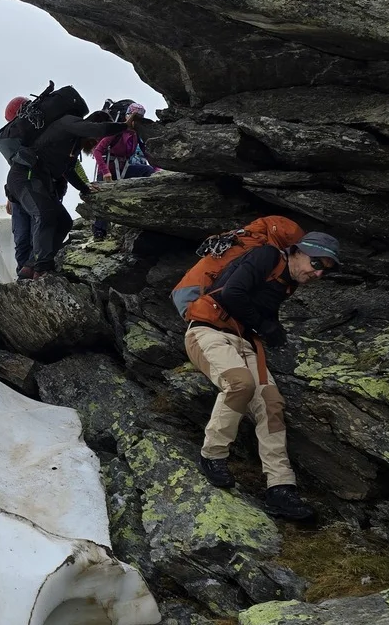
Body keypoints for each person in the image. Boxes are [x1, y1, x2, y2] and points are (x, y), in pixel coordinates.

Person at [184, 231, 342, 520]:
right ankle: (213, 456)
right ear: (296, 251)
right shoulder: (267, 256)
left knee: (271, 402)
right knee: (239, 384)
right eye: (317, 262)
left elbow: (257, 312)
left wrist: (271, 329)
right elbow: (233, 293)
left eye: (325, 269)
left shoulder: (286, 284)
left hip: (245, 343)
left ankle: (280, 487)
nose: (318, 272)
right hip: (207, 331)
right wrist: (264, 326)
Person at [0, 90, 126, 279]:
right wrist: (124, 126)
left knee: (63, 221)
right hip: (25, 178)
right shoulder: (68, 123)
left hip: (35, 182)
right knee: (43, 217)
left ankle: (31, 265)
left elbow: (69, 171)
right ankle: (40, 268)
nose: (97, 142)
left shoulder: (71, 147)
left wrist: (85, 188)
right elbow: (97, 130)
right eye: (96, 139)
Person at [90, 102, 161, 238]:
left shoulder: (136, 134)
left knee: (147, 171)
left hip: (124, 168)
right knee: (104, 198)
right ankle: (99, 232)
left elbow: (147, 153)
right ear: (128, 116)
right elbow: (98, 151)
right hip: (108, 170)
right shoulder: (116, 130)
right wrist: (105, 172)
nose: (136, 122)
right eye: (135, 118)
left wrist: (157, 170)